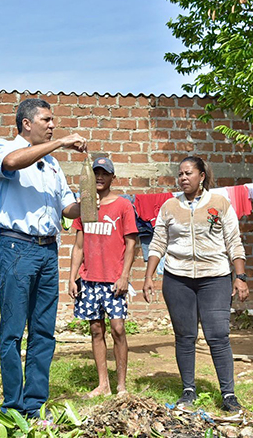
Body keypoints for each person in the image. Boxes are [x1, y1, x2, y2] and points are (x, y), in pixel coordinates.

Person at [0, 98, 88, 419]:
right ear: (26, 124)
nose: (52, 126)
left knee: (44, 331)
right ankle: (12, 405)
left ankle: (34, 405)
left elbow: (67, 209)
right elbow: (13, 163)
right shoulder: (3, 147)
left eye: (53, 122)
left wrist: (89, 202)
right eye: (46, 120)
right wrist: (60, 142)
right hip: (16, 249)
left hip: (48, 250)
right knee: (13, 331)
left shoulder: (54, 166)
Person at [142, 156, 249, 412]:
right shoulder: (169, 206)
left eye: (188, 173)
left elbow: (234, 241)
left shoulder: (220, 203)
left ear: (202, 176)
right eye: (180, 174)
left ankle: (228, 394)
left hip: (215, 277)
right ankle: (188, 390)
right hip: (177, 279)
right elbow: (158, 243)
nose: (183, 178)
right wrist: (148, 276)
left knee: (218, 335)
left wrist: (240, 276)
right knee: (185, 336)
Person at [68, 157, 138, 398]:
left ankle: (121, 385)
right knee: (96, 330)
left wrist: (124, 276)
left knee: (118, 328)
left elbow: (131, 244)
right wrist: (71, 277)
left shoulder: (123, 206)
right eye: (95, 173)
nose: (99, 177)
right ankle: (103, 384)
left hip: (114, 279)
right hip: (89, 279)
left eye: (104, 173)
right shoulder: (85, 206)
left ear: (112, 178)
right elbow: (78, 246)